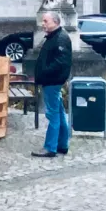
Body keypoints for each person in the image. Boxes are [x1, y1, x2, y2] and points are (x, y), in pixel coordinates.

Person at [33, 11, 73, 157]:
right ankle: (62, 144)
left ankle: (50, 147)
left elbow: (61, 62)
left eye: (46, 21)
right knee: (60, 113)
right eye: (43, 21)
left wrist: (44, 72)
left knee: (53, 114)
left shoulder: (60, 38)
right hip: (53, 80)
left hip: (52, 81)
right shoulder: (55, 36)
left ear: (55, 22)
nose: (43, 24)